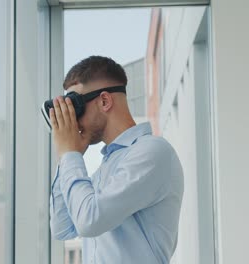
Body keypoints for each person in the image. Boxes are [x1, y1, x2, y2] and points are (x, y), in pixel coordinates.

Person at [49, 55, 184, 264]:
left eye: (75, 106)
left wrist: (70, 155)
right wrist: (66, 156)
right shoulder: (106, 168)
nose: (73, 118)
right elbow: (62, 226)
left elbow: (89, 221)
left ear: (104, 101)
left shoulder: (153, 153)